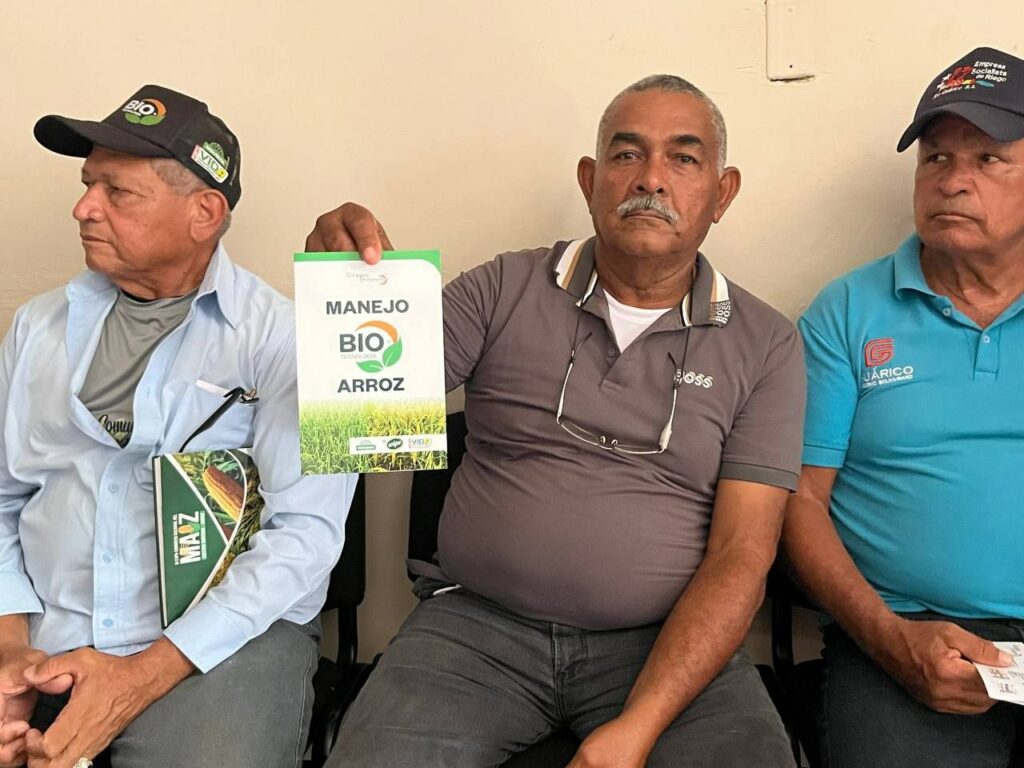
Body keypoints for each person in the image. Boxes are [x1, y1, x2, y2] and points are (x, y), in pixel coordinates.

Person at [308, 74, 805, 767]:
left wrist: (639, 727)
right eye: (627, 154)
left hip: (665, 640)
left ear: (722, 194)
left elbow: (741, 555)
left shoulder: (766, 343)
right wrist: (338, 292)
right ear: (590, 180)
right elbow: (356, 418)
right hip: (474, 630)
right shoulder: (503, 287)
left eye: (683, 158)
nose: (651, 178)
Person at [0, 85, 355, 768]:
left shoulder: (290, 340)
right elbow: (2, 499)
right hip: (44, 627)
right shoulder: (37, 328)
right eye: (86, 185)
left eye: (116, 191)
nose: (83, 208)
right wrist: (10, 648)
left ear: (204, 213)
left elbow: (305, 538)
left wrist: (137, 679)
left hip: (225, 641)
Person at [784, 47, 1024, 767]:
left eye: (988, 159)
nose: (952, 180)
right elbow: (799, 498)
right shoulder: (848, 312)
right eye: (935, 158)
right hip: (906, 633)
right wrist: (892, 642)